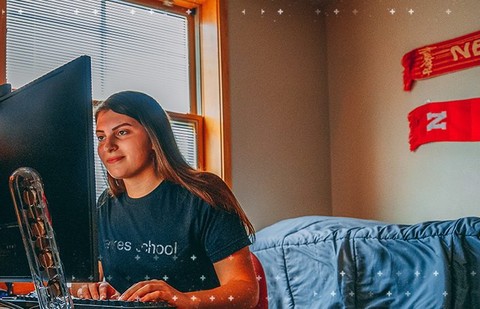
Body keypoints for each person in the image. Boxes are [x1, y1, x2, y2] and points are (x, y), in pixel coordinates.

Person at [75, 91, 259, 308]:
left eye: (122, 132)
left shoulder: (203, 196)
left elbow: (246, 290)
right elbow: (88, 278)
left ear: (155, 138)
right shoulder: (106, 204)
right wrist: (86, 287)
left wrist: (183, 300)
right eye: (101, 137)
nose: (108, 146)